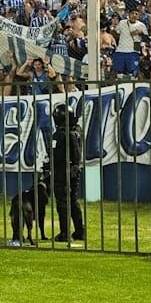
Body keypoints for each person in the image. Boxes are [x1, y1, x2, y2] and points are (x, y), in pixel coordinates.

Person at [49, 102, 85, 243]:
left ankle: (65, 233)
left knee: (62, 202)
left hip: (62, 171)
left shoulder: (60, 134)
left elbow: (56, 155)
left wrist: (49, 165)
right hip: (74, 170)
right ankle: (79, 231)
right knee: (73, 200)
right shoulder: (76, 131)